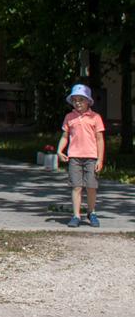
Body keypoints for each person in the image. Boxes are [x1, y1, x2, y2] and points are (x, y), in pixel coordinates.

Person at [57, 83, 105, 228]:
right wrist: (60, 151)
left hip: (91, 157)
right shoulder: (69, 117)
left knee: (91, 186)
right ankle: (76, 215)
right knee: (76, 187)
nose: (77, 102)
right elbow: (65, 136)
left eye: (81, 99)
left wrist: (100, 159)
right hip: (74, 157)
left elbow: (100, 139)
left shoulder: (95, 117)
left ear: (88, 101)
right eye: (75, 100)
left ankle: (92, 212)